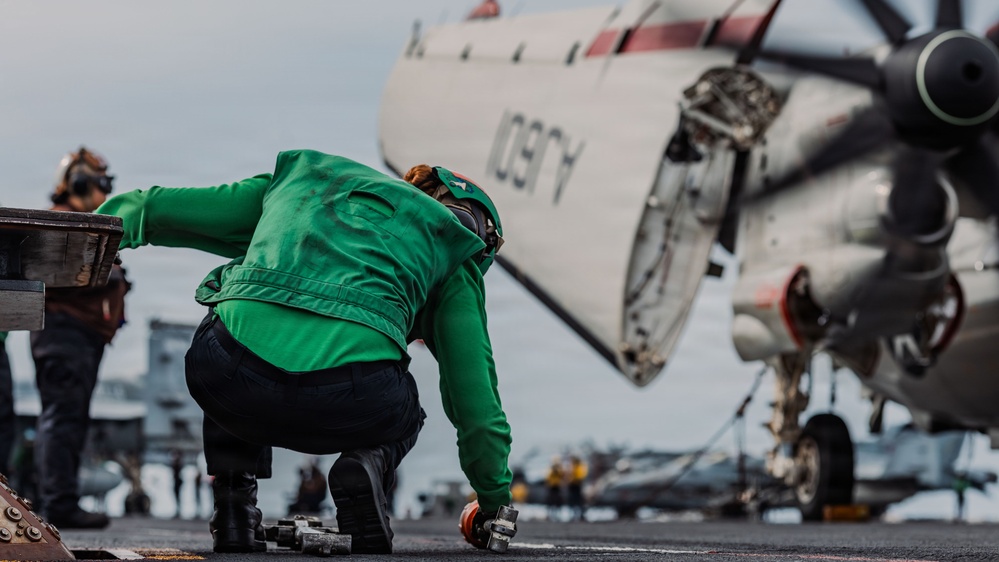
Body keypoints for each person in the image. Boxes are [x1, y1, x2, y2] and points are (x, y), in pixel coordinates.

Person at [97, 150, 514, 554]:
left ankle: (234, 513)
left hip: (229, 378)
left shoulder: (305, 183)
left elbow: (149, 208)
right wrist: (494, 505)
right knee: (406, 410)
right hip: (353, 400)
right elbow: (475, 404)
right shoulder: (453, 253)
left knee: (233, 329)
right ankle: (368, 464)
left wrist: (84, 247)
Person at [31, 147, 129, 529]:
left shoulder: (78, 227)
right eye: (101, 184)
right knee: (63, 418)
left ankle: (60, 500)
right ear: (80, 183)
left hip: (76, 336)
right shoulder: (64, 227)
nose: (105, 192)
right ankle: (59, 504)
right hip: (64, 334)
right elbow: (70, 278)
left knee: (69, 418)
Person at [566, 455, 588, 521]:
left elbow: (581, 475)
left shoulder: (579, 466)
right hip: (572, 485)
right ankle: (574, 514)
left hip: (577, 485)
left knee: (578, 500)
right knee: (573, 500)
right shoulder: (572, 466)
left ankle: (580, 514)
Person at [545, 456, 565, 521]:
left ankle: (558, 514)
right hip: (551, 487)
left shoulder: (560, 469)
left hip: (557, 486)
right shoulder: (551, 469)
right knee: (550, 500)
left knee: (558, 500)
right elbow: (547, 477)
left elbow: (562, 475)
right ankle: (550, 514)